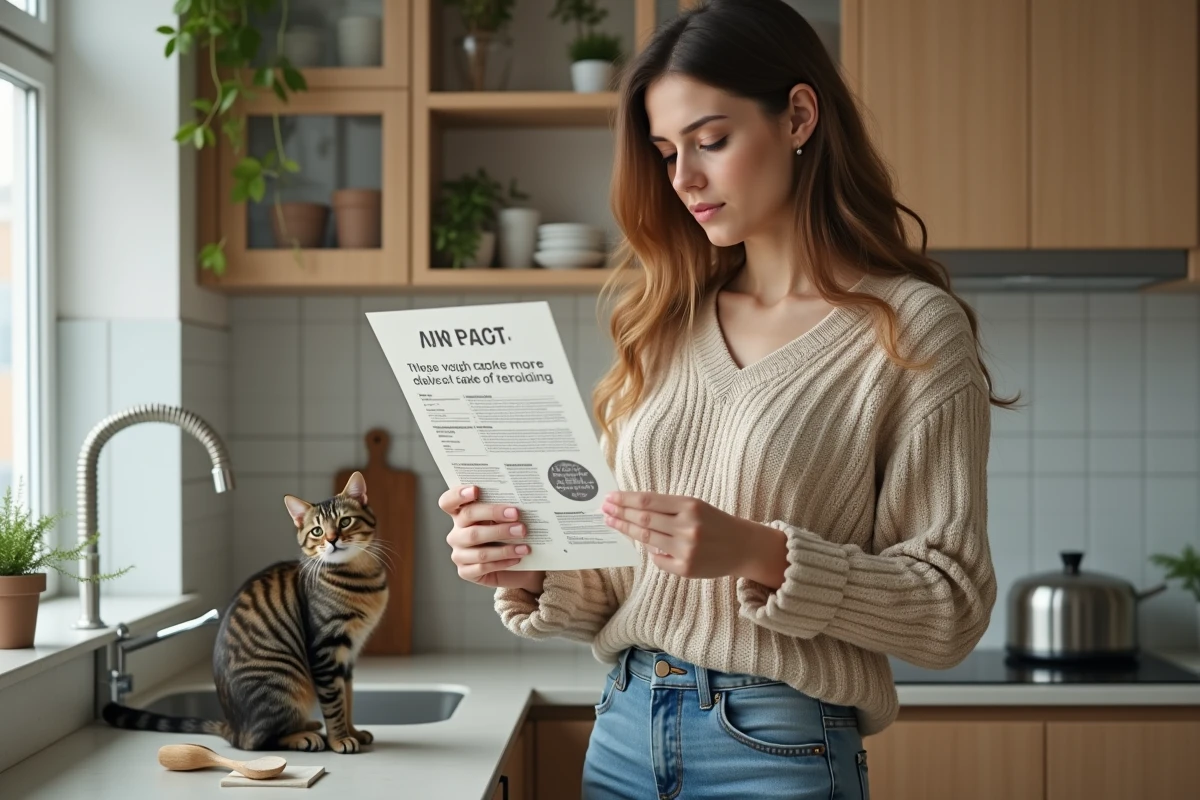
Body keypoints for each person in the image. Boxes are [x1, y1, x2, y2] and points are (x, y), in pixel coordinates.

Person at [439, 0, 1004, 797]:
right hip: (624, 731)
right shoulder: (666, 321)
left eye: (711, 141)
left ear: (799, 116)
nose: (683, 179)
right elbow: (622, 579)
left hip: (777, 747)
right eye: (667, 152)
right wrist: (522, 569)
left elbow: (951, 608)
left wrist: (761, 554)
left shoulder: (909, 332)